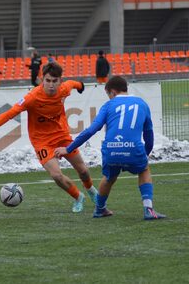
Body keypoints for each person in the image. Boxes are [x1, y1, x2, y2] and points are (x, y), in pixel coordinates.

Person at [0, 62, 98, 213]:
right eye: (48, 81)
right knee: (56, 175)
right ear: (42, 79)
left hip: (62, 136)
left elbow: (72, 84)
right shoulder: (32, 97)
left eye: (55, 81)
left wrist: (80, 86)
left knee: (84, 171)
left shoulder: (64, 89)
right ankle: (78, 197)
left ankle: (92, 191)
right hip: (42, 141)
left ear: (60, 81)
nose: (51, 85)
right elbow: (10, 114)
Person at [54, 76, 166, 220]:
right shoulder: (142, 104)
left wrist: (68, 149)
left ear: (112, 92)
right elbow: (148, 135)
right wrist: (145, 153)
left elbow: (91, 130)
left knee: (109, 177)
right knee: (144, 169)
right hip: (133, 148)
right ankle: (148, 209)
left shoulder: (108, 105)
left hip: (111, 150)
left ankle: (100, 209)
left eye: (108, 95)